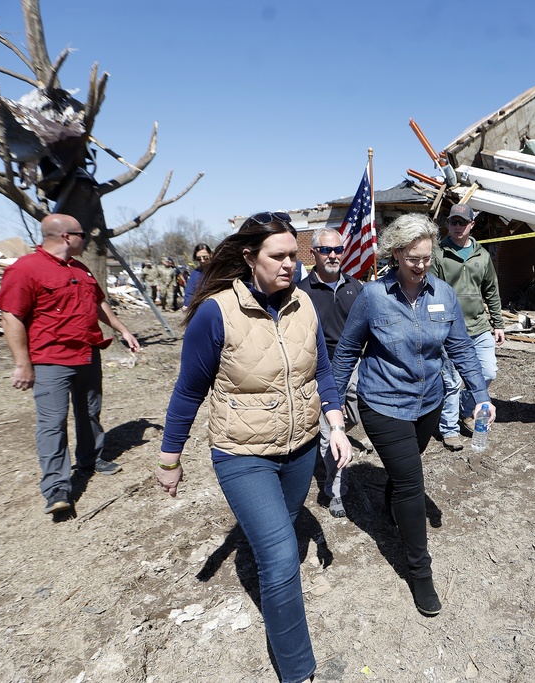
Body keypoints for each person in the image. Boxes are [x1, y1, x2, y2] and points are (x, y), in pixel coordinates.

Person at [156, 211, 351, 683]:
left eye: (293, 256)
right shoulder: (216, 312)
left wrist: (336, 423)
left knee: (281, 529)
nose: (291, 265)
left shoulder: (303, 304)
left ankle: (266, 549)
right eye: (278, 256)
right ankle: (298, 670)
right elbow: (188, 390)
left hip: (301, 447)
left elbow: (321, 371)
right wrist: (169, 457)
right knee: (283, 556)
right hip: (241, 453)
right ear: (249, 258)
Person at [332, 213, 495, 617]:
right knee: (411, 481)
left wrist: (481, 394)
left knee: (405, 471)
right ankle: (420, 574)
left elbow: (460, 348)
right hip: (383, 403)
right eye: (413, 259)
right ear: (396, 253)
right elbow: (347, 351)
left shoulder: (443, 293)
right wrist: (333, 407)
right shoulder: (373, 296)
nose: (421, 266)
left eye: (427, 257)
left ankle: (391, 499)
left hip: (428, 402)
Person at [0, 213, 142, 514]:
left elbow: (99, 302)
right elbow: (11, 316)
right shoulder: (26, 269)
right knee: (52, 424)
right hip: (51, 360)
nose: (85, 240)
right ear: (66, 237)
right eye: (82, 235)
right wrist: (22, 363)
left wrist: (123, 329)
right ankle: (57, 488)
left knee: (90, 411)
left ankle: (91, 459)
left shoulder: (80, 268)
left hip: (88, 353)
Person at [431, 203, 506, 451]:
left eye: (462, 222)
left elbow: (491, 291)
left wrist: (498, 324)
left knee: (488, 373)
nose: (457, 227)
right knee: (451, 382)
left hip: (479, 327)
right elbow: (431, 292)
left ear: (471, 225)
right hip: (450, 330)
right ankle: (449, 429)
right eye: (453, 222)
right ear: (448, 224)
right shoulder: (438, 254)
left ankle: (467, 407)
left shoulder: (482, 256)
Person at [301, 228, 364, 518]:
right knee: (331, 432)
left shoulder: (357, 287)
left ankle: (324, 433)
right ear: (313, 253)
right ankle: (335, 491)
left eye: (338, 249)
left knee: (359, 415)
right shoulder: (301, 292)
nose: (334, 255)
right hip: (322, 370)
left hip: (357, 366)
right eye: (326, 250)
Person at [182, 242, 213, 309]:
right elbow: (189, 292)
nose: (202, 260)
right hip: (200, 307)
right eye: (199, 258)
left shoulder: (219, 270)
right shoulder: (195, 273)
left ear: (210, 255)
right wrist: (187, 304)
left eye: (205, 257)